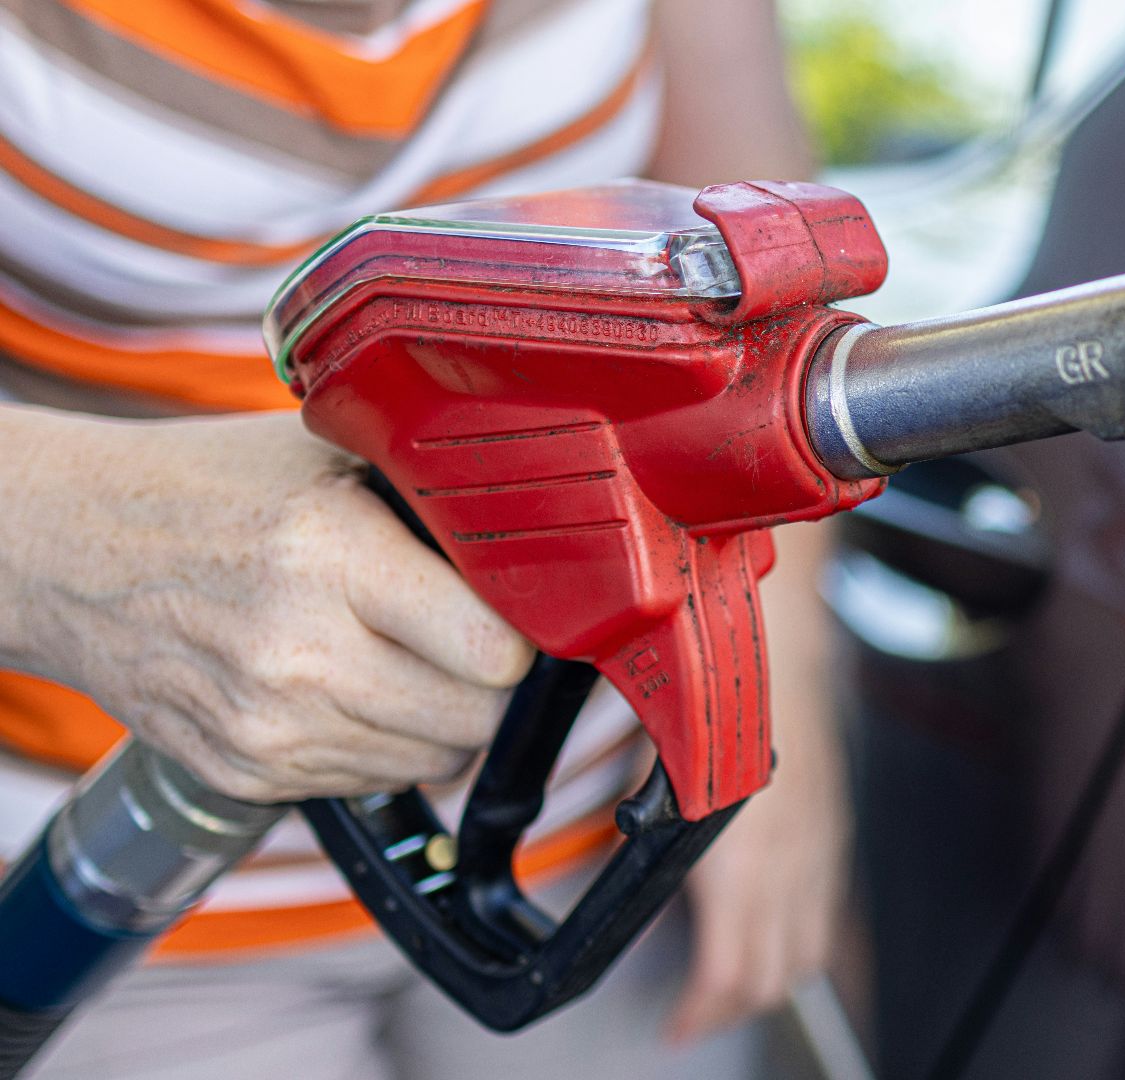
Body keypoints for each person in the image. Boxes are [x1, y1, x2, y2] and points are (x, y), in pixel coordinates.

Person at [0, 1, 850, 1076]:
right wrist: (69, 541)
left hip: (597, 841)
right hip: (128, 896)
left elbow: (751, 234)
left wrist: (777, 712)